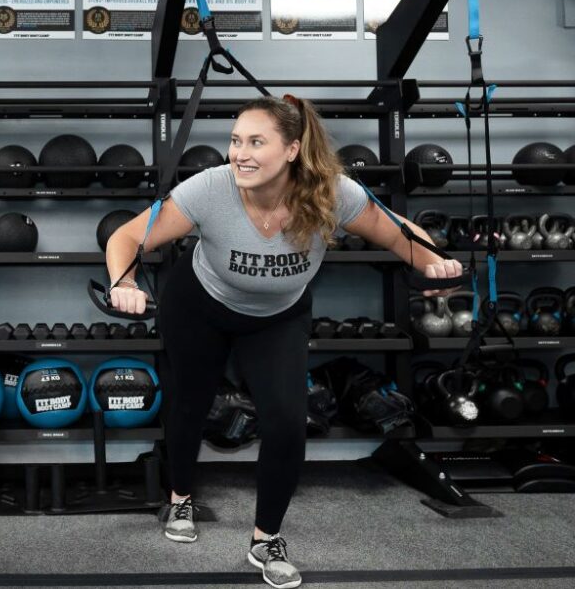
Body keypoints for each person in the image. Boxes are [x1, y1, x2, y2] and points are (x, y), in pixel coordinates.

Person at [104, 95, 461, 589]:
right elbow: (125, 238)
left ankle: (265, 538)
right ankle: (180, 496)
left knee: (289, 423)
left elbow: (400, 235)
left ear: (293, 149)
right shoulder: (209, 189)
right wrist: (123, 282)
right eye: (235, 141)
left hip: (277, 316)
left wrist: (432, 262)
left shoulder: (334, 193)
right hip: (199, 308)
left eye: (256, 142)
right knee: (190, 406)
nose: (240, 154)